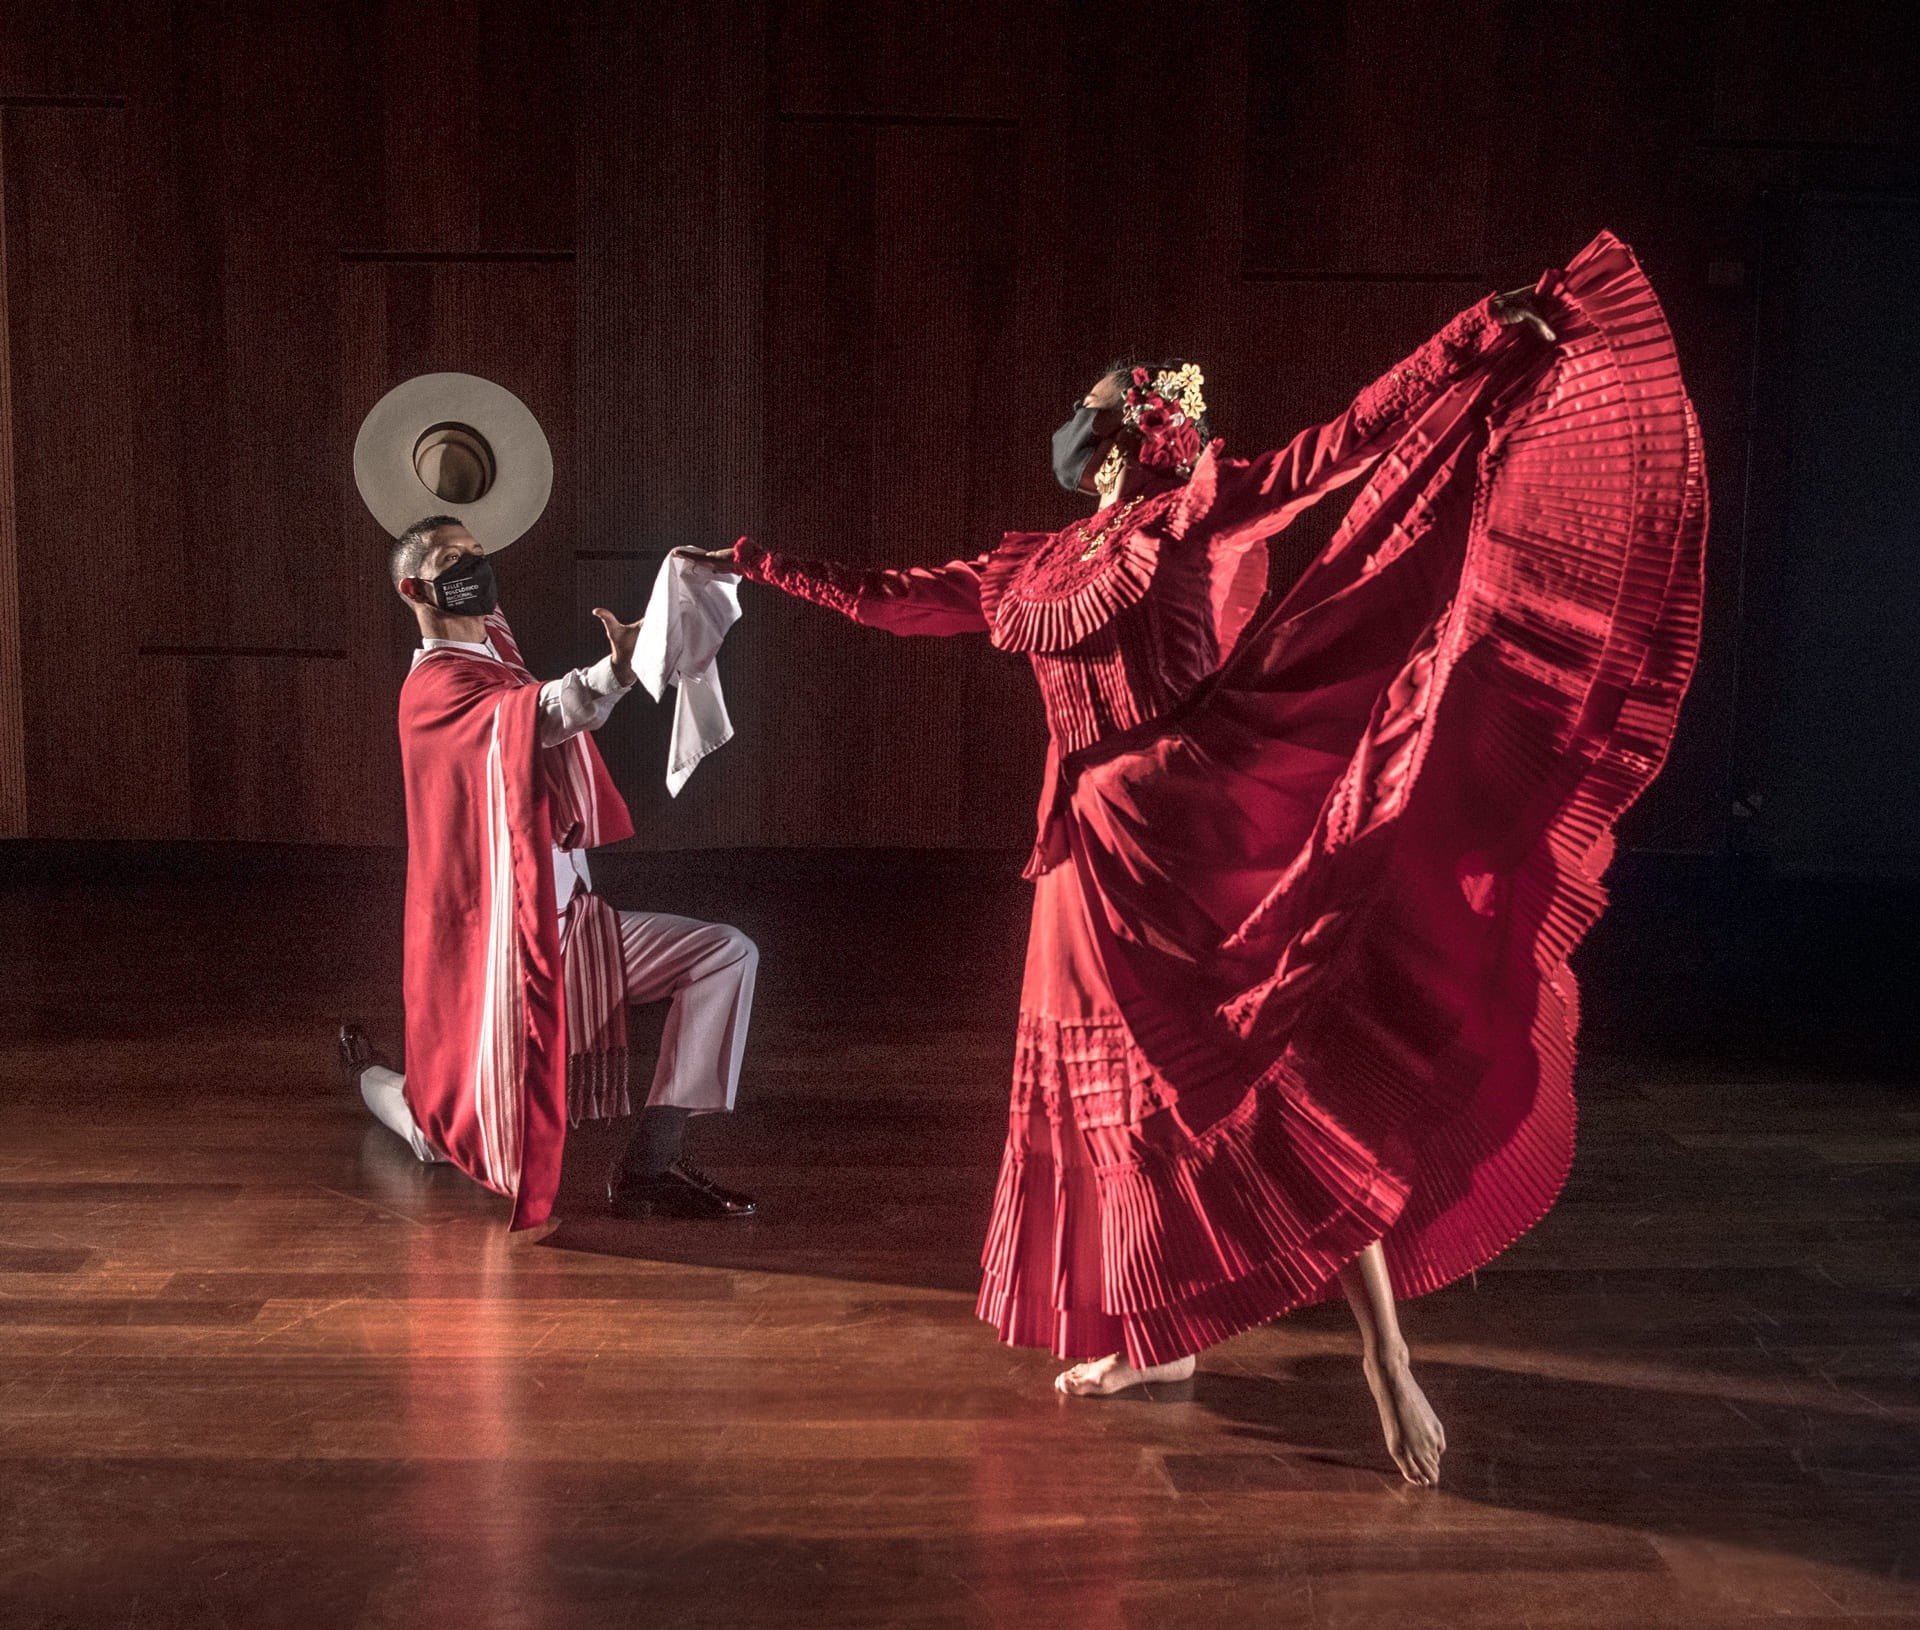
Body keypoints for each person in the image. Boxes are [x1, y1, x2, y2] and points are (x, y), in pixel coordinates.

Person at [684, 232, 1706, 1486]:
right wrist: (754, 565)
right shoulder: (1029, 561)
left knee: (1269, 1071)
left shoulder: (1200, 513)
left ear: (1138, 427)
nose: (1075, 420)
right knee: (1103, 1102)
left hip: (1192, 822)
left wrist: (1475, 339)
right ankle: (1148, 1333)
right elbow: (896, 593)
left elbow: (1351, 441)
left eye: (1096, 404)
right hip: (1079, 857)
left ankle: (1388, 1358)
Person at [340, 516, 759, 1228]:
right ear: (415, 587)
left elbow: (520, 675)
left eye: (479, 552)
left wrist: (678, 593)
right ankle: (370, 1076)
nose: (477, 566)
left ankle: (652, 1163)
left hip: (573, 931)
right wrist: (617, 671)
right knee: (439, 1137)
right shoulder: (433, 690)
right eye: (454, 559)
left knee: (724, 953)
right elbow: (540, 714)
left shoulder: (491, 647)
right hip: (497, 956)